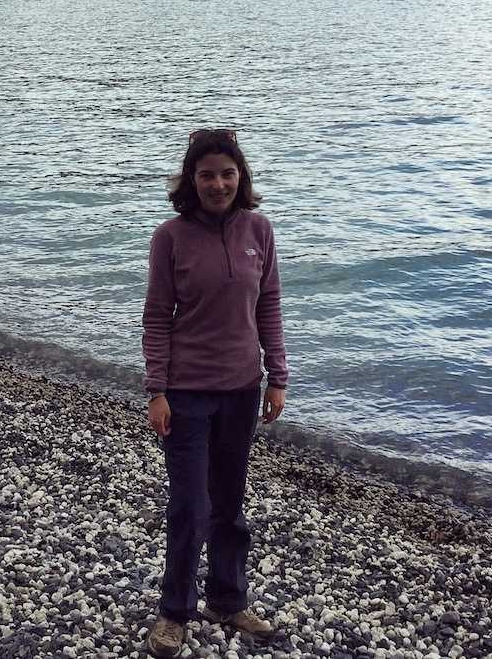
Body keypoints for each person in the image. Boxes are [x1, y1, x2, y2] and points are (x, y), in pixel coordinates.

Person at [142, 128, 289, 659]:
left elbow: (267, 305)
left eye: (228, 173)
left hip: (241, 391)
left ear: (241, 177)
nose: (218, 184)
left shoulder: (260, 230)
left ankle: (227, 599)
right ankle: (174, 611)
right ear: (192, 181)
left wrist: (278, 376)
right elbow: (157, 317)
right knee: (190, 505)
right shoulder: (171, 237)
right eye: (207, 175)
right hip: (185, 392)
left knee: (228, 503)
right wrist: (156, 389)